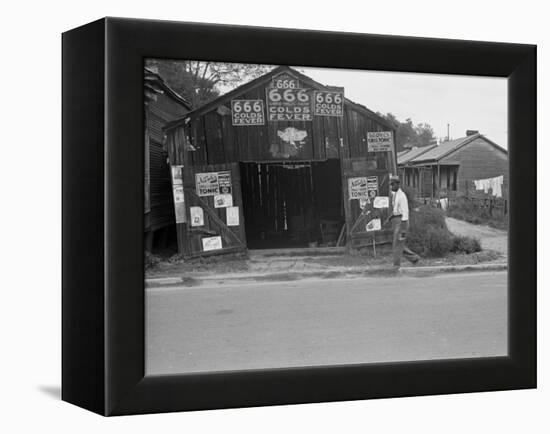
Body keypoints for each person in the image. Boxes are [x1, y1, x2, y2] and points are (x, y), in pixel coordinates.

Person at [385, 175, 420, 267]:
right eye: (390, 185)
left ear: (397, 184)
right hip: (397, 221)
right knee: (399, 244)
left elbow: (405, 212)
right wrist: (389, 218)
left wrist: (403, 228)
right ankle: (414, 258)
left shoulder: (402, 196)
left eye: (393, 184)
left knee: (397, 245)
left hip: (402, 222)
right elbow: (396, 211)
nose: (391, 186)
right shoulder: (395, 195)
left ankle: (396, 266)